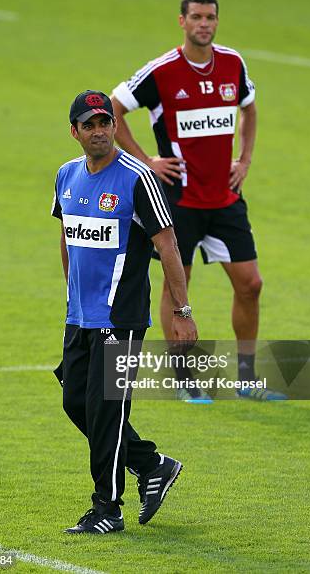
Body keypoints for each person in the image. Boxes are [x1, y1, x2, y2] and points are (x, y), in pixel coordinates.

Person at [111, 0, 286, 402]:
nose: (204, 24)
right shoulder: (162, 71)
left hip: (224, 198)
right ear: (182, 22)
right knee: (177, 284)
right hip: (179, 201)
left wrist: (243, 160)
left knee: (251, 284)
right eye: (196, 17)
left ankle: (245, 379)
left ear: (216, 21)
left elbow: (250, 107)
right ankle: (185, 378)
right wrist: (146, 162)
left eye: (210, 17)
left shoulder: (232, 63)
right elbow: (113, 108)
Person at [51, 90, 198, 534]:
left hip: (121, 319)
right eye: (89, 125)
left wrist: (183, 309)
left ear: (115, 126)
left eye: (105, 123)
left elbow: (167, 244)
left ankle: (107, 509)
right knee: (77, 402)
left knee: (107, 411)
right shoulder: (66, 176)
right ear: (74, 131)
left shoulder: (137, 178)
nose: (99, 131)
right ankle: (152, 465)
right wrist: (73, 298)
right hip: (80, 316)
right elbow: (68, 239)